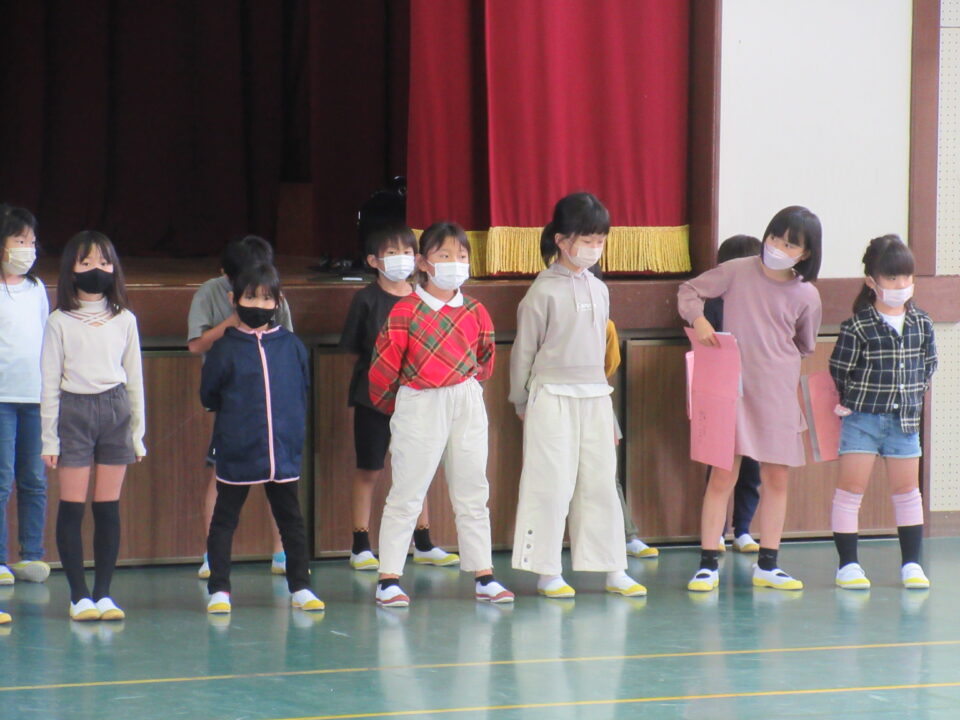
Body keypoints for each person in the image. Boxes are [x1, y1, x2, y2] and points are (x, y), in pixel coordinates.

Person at [368, 221, 513, 607]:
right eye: (444, 255)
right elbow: (383, 369)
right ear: (423, 262)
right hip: (420, 401)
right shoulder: (405, 311)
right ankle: (388, 579)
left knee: (473, 489)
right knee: (407, 491)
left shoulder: (476, 310)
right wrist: (402, 403)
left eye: (461, 256)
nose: (455, 263)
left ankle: (484, 575)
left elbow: (486, 358)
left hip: (465, 398)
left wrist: (462, 385)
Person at [678, 206, 822, 592]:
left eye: (789, 244)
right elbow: (689, 290)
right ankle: (708, 562)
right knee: (723, 474)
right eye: (774, 237)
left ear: (806, 253)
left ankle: (768, 564)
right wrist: (700, 321)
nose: (777, 247)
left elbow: (805, 343)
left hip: (777, 392)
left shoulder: (807, 294)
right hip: (734, 389)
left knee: (776, 477)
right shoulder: (737, 270)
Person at [510, 192, 645, 599]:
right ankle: (547, 571)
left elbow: (600, 355)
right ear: (562, 240)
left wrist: (607, 408)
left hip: (594, 397)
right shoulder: (541, 292)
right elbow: (524, 351)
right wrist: (520, 399)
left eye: (600, 240)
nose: (594, 247)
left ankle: (613, 568)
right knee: (550, 484)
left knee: (600, 482)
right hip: (551, 395)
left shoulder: (599, 289)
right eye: (587, 239)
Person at [200, 262, 323, 614]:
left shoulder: (292, 345)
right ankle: (219, 588)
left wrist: (291, 433)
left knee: (291, 520)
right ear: (233, 299)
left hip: (282, 450)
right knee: (224, 520)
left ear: (278, 302)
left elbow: (302, 388)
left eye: (267, 299)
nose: (259, 305)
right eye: (251, 297)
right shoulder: (224, 348)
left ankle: (301, 586)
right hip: (237, 448)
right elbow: (209, 394)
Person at [41, 231, 146, 621]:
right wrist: (49, 438)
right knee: (72, 506)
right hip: (74, 412)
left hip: (115, 411)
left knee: (107, 506)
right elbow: (49, 383)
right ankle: (78, 595)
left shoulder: (125, 319)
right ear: (71, 270)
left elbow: (134, 380)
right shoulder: (59, 321)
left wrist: (137, 434)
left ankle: (103, 593)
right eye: (86, 263)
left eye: (104, 262)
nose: (96, 270)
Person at [340, 225, 455, 571]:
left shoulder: (423, 297)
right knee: (370, 469)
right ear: (373, 261)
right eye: (392, 253)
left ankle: (423, 542)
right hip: (373, 399)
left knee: (417, 469)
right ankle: (360, 545)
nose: (401, 259)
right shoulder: (365, 299)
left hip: (417, 397)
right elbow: (351, 351)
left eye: (407, 251)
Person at [829, 235, 936, 590]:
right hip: (862, 418)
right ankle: (848, 566)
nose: (901, 284)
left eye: (906, 276)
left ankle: (912, 565)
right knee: (850, 491)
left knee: (907, 492)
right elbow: (840, 368)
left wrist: (911, 395)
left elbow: (929, 364)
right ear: (871, 281)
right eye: (891, 277)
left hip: (904, 421)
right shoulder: (858, 326)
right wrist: (854, 398)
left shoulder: (922, 323)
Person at [187, 235, 293, 579]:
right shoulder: (209, 292)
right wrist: (233, 322)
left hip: (270, 398)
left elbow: (288, 343)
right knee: (222, 473)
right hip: (229, 400)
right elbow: (196, 345)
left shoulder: (274, 292)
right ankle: (212, 555)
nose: (256, 294)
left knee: (278, 476)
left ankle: (282, 553)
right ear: (226, 276)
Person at [0, 206, 50, 626]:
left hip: (34, 397)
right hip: (1, 397)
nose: (27, 249)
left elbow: (47, 336)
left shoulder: (36, 288)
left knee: (33, 478)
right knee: (1, 480)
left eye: (31, 242)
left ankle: (31, 554)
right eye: (20, 241)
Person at [702, 235, 763, 554]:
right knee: (719, 468)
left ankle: (744, 529)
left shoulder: (765, 304)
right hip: (722, 395)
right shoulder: (712, 303)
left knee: (752, 467)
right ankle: (716, 532)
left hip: (755, 396)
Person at [604, 319, 659, 559]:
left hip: (596, 398)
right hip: (557, 400)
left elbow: (610, 364)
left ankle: (627, 537)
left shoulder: (606, 325)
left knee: (609, 475)